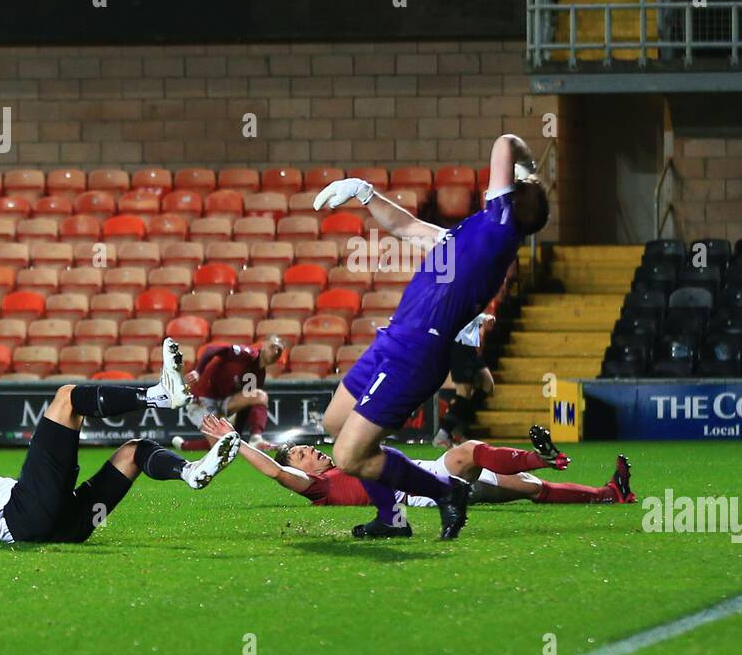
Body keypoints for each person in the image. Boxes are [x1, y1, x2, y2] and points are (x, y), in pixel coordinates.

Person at [310, 134, 549, 539]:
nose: (503, 185)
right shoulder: (475, 232)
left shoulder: (499, 228)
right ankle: (392, 520)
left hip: (416, 352)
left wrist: (528, 168)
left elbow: (505, 143)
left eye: (514, 186)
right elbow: (408, 227)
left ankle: (445, 492)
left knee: (348, 456)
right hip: (394, 340)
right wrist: (365, 193)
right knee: (335, 422)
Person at [0, 339, 240, 545]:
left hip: (58, 525)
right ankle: (160, 394)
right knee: (67, 398)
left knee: (135, 451)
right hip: (23, 516)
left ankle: (190, 471)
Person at [193, 417, 635, 539]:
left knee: (534, 492)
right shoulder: (319, 487)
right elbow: (274, 471)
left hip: (431, 477)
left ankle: (608, 494)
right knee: (464, 453)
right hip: (430, 490)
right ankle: (542, 459)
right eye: (307, 454)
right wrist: (235, 440)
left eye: (310, 447)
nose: (315, 452)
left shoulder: (346, 461)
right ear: (302, 471)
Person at [182, 336, 285, 449]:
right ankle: (185, 445)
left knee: (259, 396)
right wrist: (198, 371)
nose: (275, 352)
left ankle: (256, 438)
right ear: (264, 345)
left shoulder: (259, 375)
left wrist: (238, 435)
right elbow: (212, 349)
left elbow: (246, 408)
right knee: (220, 444)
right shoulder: (245, 354)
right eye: (273, 347)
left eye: (279, 351)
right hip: (201, 398)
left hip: (224, 401)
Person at [433, 312, 496, 448]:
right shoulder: (457, 296)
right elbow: (462, 312)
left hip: (469, 349)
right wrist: (483, 318)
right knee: (464, 393)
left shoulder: (472, 297)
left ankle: (457, 424)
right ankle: (443, 434)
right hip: (459, 346)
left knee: (488, 385)